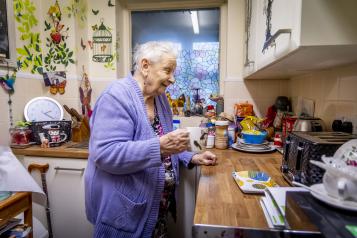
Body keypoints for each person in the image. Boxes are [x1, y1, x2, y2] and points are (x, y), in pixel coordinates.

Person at [84, 41, 217, 238]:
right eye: (167, 70)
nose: (172, 79)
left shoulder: (160, 98)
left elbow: (165, 143)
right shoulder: (117, 96)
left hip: (156, 208)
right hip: (124, 213)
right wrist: (161, 147)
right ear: (145, 66)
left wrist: (190, 157)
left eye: (174, 72)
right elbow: (105, 154)